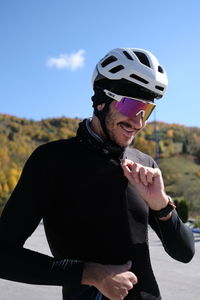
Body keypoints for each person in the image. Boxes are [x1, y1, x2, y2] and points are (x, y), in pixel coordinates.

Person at [0, 47, 195, 300]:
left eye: (145, 111)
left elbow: (185, 253)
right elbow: (3, 256)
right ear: (101, 101)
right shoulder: (52, 160)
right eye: (131, 106)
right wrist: (89, 274)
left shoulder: (144, 164)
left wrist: (162, 207)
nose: (138, 123)